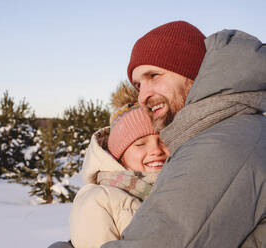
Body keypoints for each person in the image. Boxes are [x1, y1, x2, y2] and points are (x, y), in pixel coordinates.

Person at [49, 20, 266, 248]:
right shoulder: (234, 130)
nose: (143, 96)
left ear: (191, 72)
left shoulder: (220, 145)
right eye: (138, 85)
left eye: (154, 75)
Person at [69, 83, 169, 248]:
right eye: (140, 144)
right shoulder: (99, 200)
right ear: (120, 156)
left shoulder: (183, 187)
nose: (156, 150)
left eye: (163, 139)